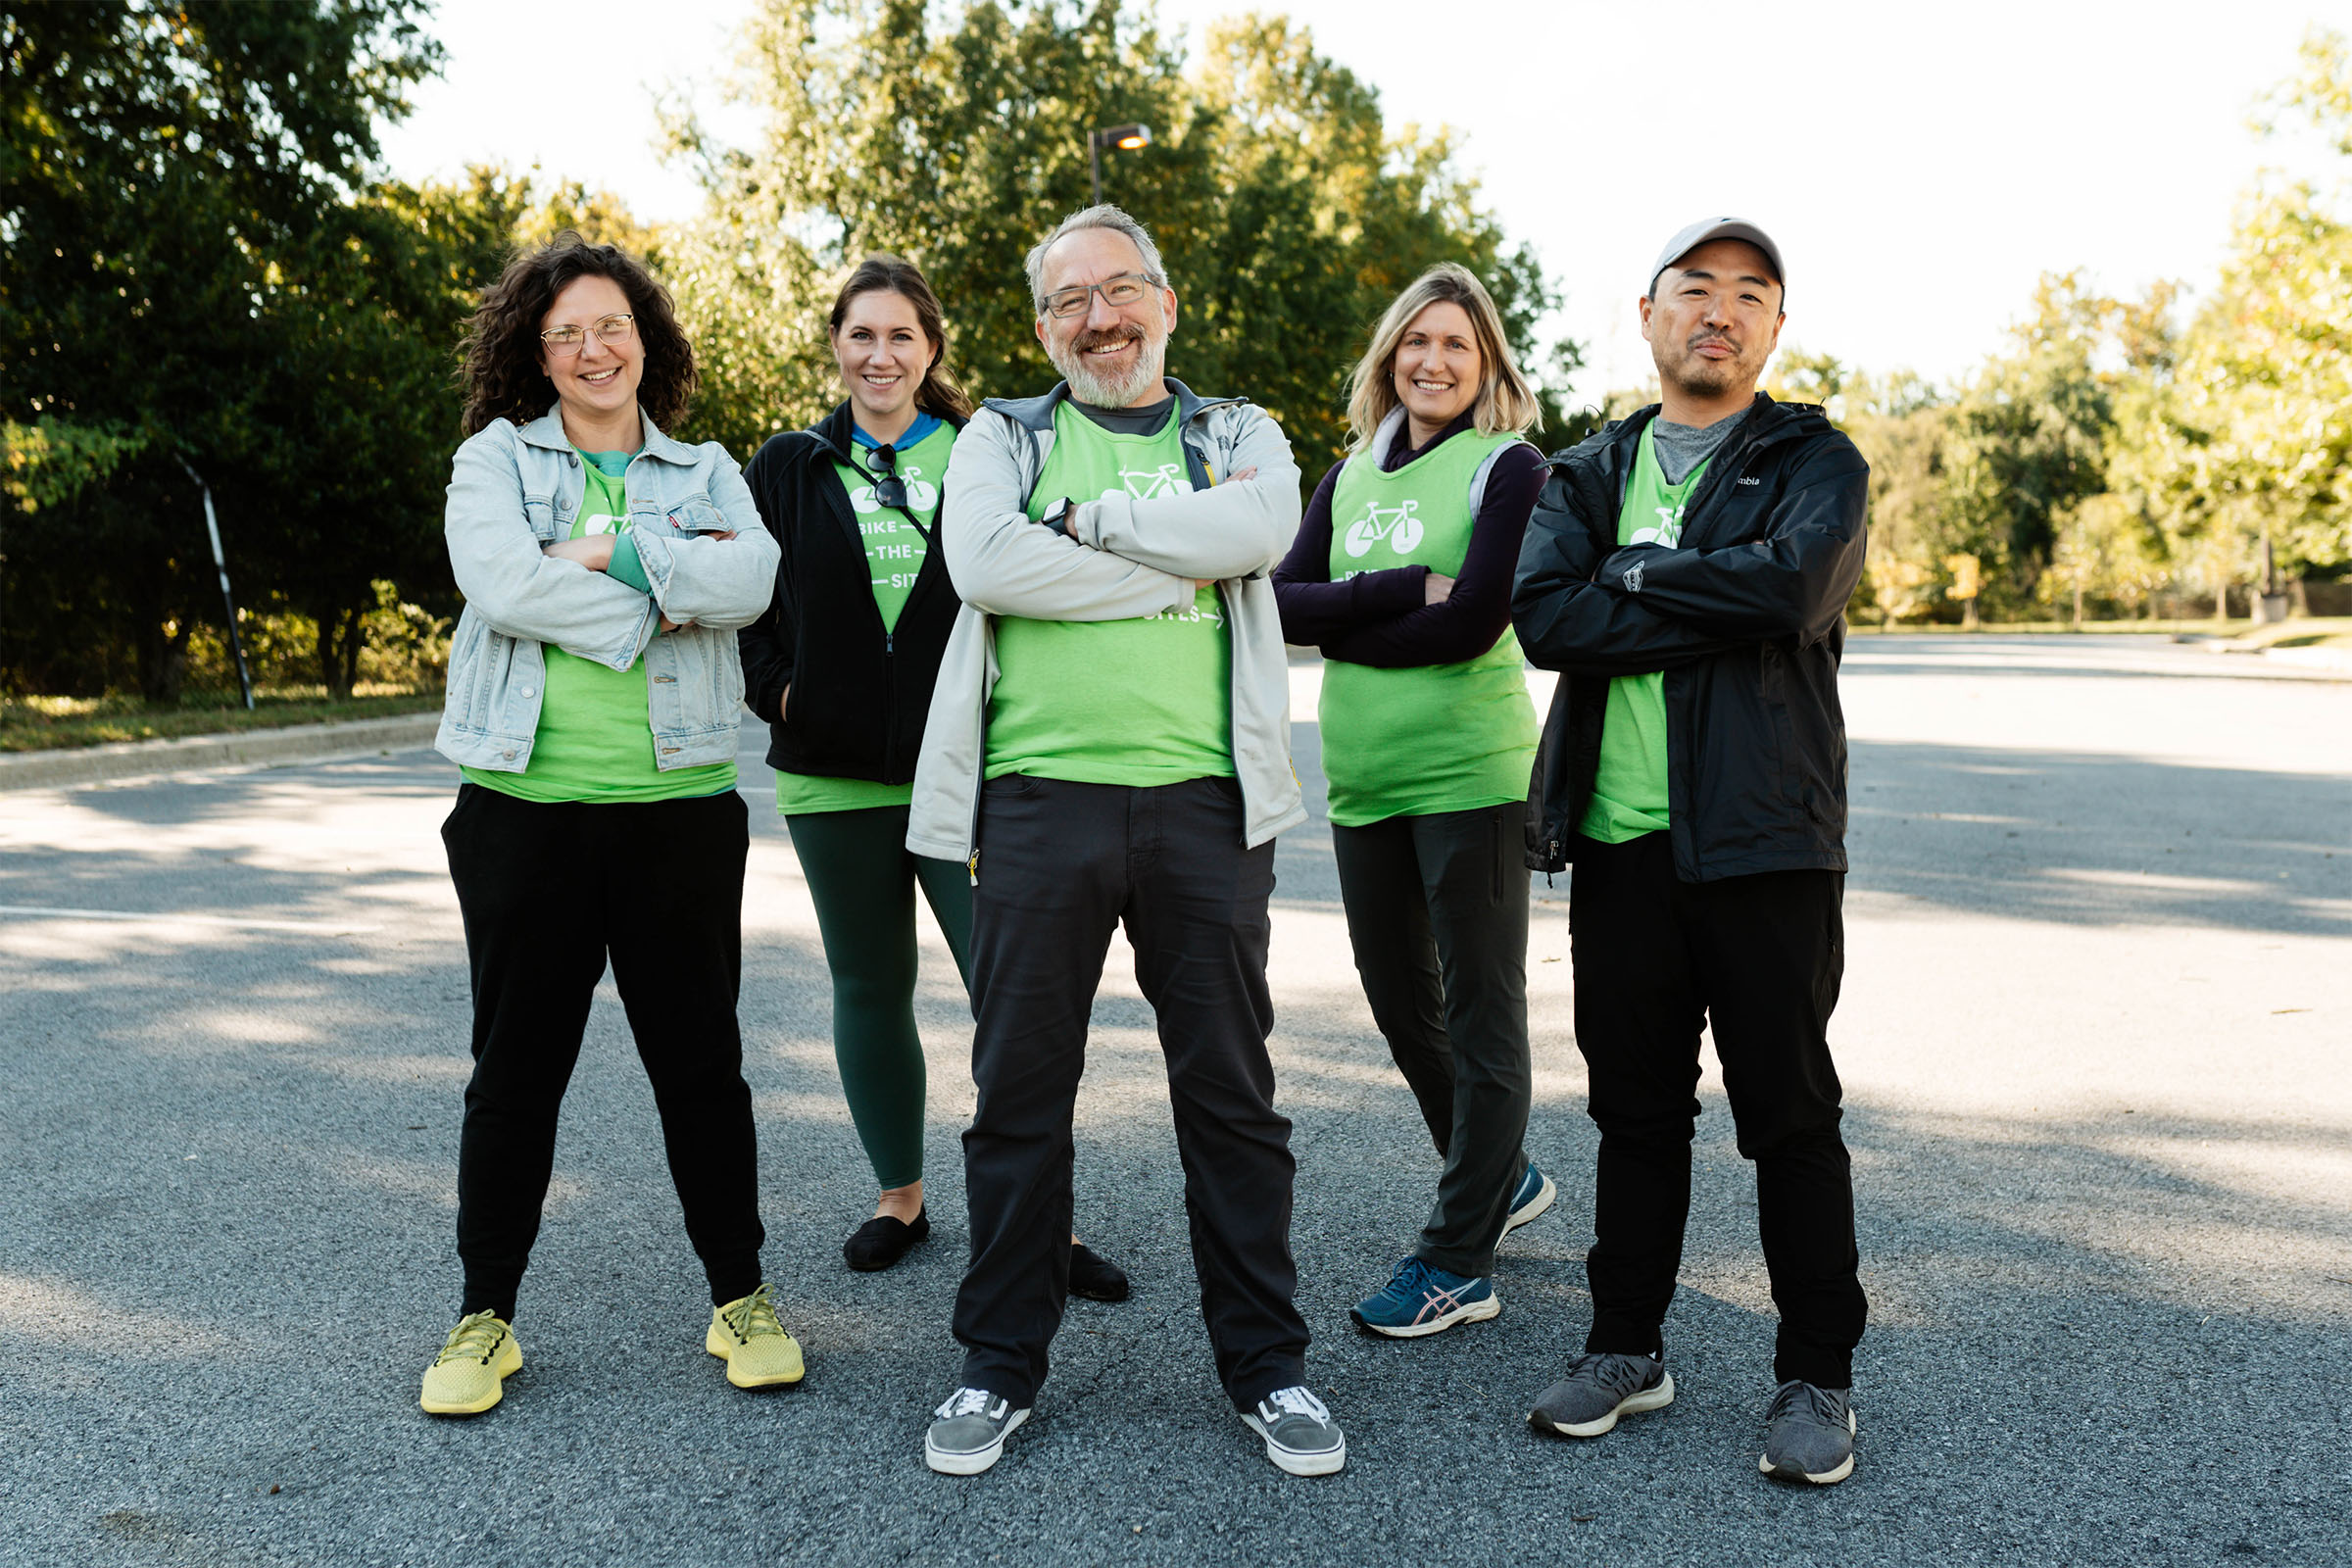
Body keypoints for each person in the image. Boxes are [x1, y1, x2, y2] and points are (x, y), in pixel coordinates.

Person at [905, 205, 1343, 1478]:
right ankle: (999, 1363)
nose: (1099, 319)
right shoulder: (1003, 432)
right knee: (1021, 1094)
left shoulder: (1236, 431)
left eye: (1118, 291)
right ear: (1044, 328)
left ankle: (1268, 1369)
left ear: (1163, 297)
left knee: (1232, 1097)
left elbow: (1265, 533)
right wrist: (1179, 563)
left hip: (1210, 803)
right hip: (1039, 802)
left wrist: (1090, 528)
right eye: (1069, 304)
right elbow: (984, 562)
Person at [1509, 219, 1872, 1484]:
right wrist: (1697, 583)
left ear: (1776, 328)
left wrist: (1644, 574)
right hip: (1619, 844)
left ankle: (1816, 1377)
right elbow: (1550, 618)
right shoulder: (1587, 468)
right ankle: (1626, 1348)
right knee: (1637, 1115)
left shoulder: (1812, 457)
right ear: (1650, 315)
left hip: (1766, 842)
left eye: (1750, 296)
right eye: (1696, 290)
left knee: (1789, 1117)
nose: (1720, 312)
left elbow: (1794, 591)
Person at [419, 233, 795, 1416]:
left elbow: (754, 582)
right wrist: (659, 589)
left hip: (678, 811)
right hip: (523, 809)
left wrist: (608, 544)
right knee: (515, 1074)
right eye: (569, 330)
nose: (595, 347)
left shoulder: (708, 466)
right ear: (538, 352)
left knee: (702, 1069)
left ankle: (740, 1295)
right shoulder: (494, 459)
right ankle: (485, 1316)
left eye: (614, 324)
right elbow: (499, 582)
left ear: (649, 338)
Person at [736, 256, 1128, 1299]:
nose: (881, 355)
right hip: (830, 779)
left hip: (973, 777)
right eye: (862, 335)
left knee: (1013, 1001)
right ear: (836, 344)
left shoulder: (986, 453)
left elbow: (1036, 589)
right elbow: (746, 602)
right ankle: (898, 1198)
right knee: (870, 986)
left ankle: (1047, 1218)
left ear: (931, 348)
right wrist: (781, 696)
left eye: (901, 336)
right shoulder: (787, 463)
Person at [1270, 264, 1555, 1338]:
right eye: (1415, 343)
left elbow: (1475, 619)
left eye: (1457, 346)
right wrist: (1394, 590)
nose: (1433, 362)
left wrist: (1354, 617)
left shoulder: (1509, 468)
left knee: (1483, 1014)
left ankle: (1457, 1256)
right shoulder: (1348, 476)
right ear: (1390, 356)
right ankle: (1504, 1176)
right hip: (1364, 781)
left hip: (1471, 777)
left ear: (1487, 366)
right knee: (1399, 1000)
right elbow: (1285, 607)